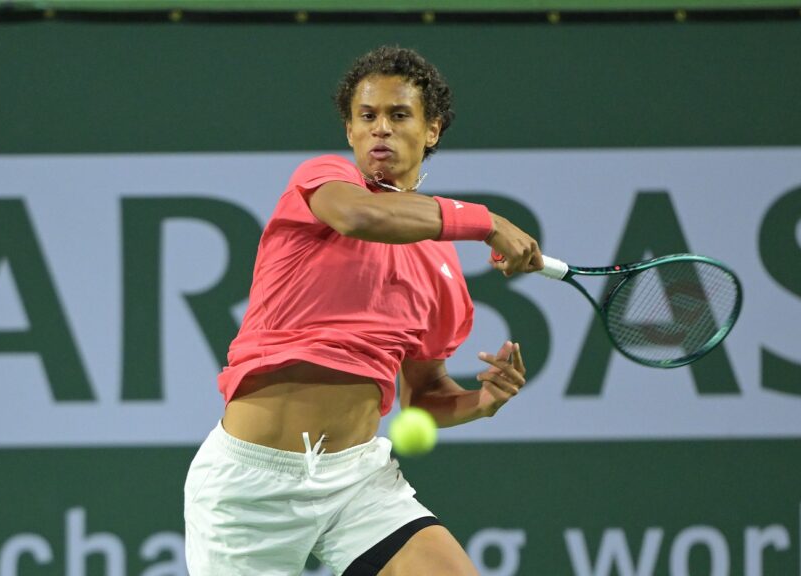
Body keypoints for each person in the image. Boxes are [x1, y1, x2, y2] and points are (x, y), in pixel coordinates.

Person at [184, 45, 543, 575]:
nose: (381, 130)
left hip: (357, 481)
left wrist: (480, 401)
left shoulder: (441, 269)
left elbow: (422, 397)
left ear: (432, 130)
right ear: (350, 132)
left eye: (399, 116)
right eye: (367, 117)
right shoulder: (326, 182)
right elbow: (361, 216)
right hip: (250, 485)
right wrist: (484, 220)